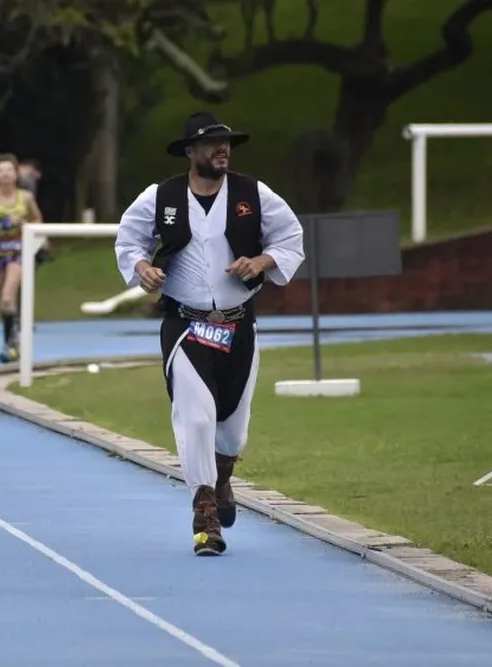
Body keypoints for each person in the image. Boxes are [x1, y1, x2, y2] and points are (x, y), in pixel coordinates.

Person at [114, 111, 305, 556]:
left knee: (233, 431)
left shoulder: (253, 194)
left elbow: (290, 238)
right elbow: (128, 241)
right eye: (212, 143)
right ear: (189, 151)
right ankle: (205, 517)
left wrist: (261, 262)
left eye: (227, 142)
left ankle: (222, 477)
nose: (223, 149)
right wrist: (142, 267)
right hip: (186, 324)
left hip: (238, 325)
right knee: (196, 418)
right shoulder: (160, 197)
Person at [0, 154, 43, 363]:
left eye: (9, 170)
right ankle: (10, 341)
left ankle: (9, 344)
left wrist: (26, 226)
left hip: (18, 253)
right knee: (2, 303)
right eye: (1, 171)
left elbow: (38, 219)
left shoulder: (26, 197)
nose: (5, 174)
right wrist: (3, 225)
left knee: (7, 297)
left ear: (16, 174)